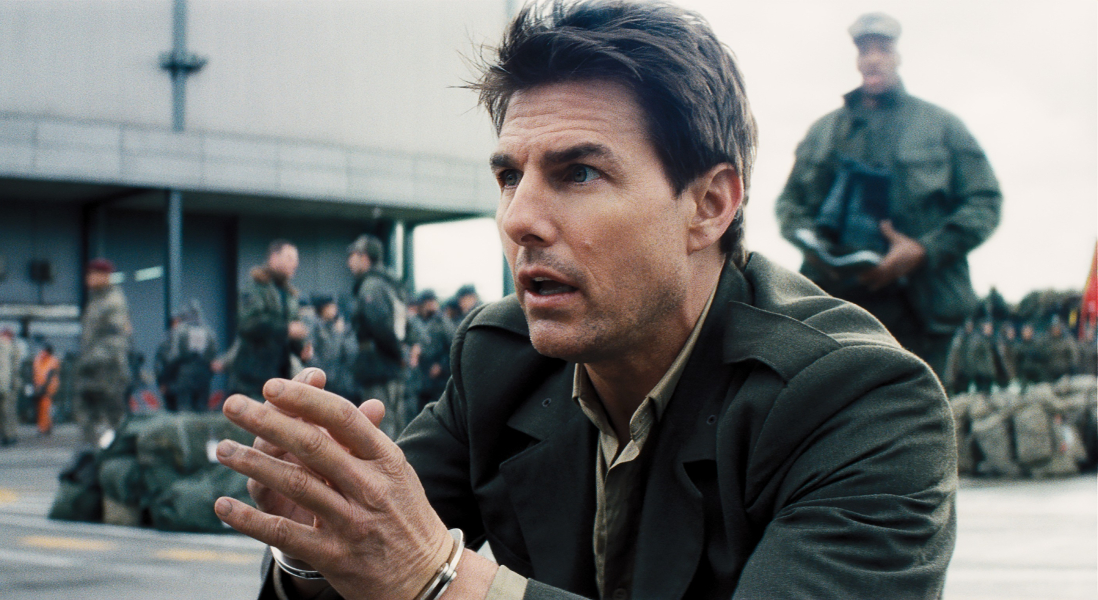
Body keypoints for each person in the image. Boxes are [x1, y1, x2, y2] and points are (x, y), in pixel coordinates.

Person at [210, 2, 956, 599]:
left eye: (579, 174)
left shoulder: (861, 403)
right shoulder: (499, 362)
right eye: (510, 177)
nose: (519, 219)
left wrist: (439, 580)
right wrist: (319, 550)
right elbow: (376, 552)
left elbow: (418, 566)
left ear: (708, 205)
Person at [775, 12, 1001, 371]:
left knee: (917, 405)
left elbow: (985, 201)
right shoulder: (824, 131)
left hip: (920, 310)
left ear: (897, 55)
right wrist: (813, 247)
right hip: (835, 309)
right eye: (865, 50)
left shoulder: (942, 127)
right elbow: (789, 204)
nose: (873, 58)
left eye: (882, 48)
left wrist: (923, 250)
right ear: (857, 59)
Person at [345, 234, 411, 438]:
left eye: (352, 256)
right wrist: (402, 352)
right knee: (395, 424)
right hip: (390, 365)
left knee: (380, 428)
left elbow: (380, 326)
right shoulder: (390, 283)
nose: (349, 262)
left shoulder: (371, 285)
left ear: (364, 257)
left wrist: (398, 353)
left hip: (379, 365)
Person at [230, 240, 306, 398]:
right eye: (290, 258)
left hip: (281, 378)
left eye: (296, 259)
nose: (295, 264)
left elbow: (289, 335)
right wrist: (287, 329)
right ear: (274, 258)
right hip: (253, 379)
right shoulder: (255, 286)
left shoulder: (289, 294)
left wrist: (301, 348)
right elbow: (248, 323)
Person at [76, 259, 133, 445]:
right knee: (87, 415)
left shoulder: (113, 302)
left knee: (115, 417)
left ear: (105, 276)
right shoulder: (96, 300)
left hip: (108, 371)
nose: (88, 278)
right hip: (93, 371)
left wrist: (88, 361)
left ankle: (121, 453)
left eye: (93, 274)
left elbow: (115, 340)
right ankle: (91, 454)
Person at [155, 302, 218, 413]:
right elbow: (213, 356)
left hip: (184, 375)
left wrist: (166, 378)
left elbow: (174, 356)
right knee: (202, 409)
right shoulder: (208, 332)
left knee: (184, 408)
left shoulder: (181, 331)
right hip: (204, 375)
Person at [411, 290, 455, 421]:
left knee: (439, 413)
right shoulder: (415, 322)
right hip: (420, 378)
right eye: (428, 302)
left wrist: (441, 365)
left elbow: (452, 347)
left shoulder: (443, 322)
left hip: (438, 378)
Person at [306, 295, 357, 404]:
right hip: (324, 378)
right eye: (330, 306)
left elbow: (350, 352)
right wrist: (338, 334)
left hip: (341, 380)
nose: (334, 309)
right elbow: (328, 353)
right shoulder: (315, 327)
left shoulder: (338, 326)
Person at [31, 339, 62, 436]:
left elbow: (50, 375)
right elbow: (34, 373)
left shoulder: (53, 360)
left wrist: (44, 388)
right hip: (38, 387)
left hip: (48, 388)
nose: (42, 353)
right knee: (40, 409)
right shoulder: (38, 360)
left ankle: (44, 428)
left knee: (45, 407)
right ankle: (45, 427)